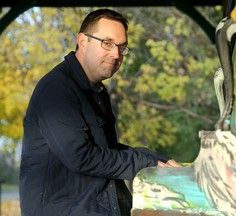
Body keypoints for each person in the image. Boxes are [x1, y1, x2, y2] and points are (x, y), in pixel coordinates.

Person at [19, 8, 181, 216]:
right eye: (107, 43)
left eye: (122, 47)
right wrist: (145, 163)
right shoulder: (57, 90)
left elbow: (105, 150)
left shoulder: (96, 91)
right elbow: (81, 157)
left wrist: (155, 159)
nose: (116, 54)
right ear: (83, 41)